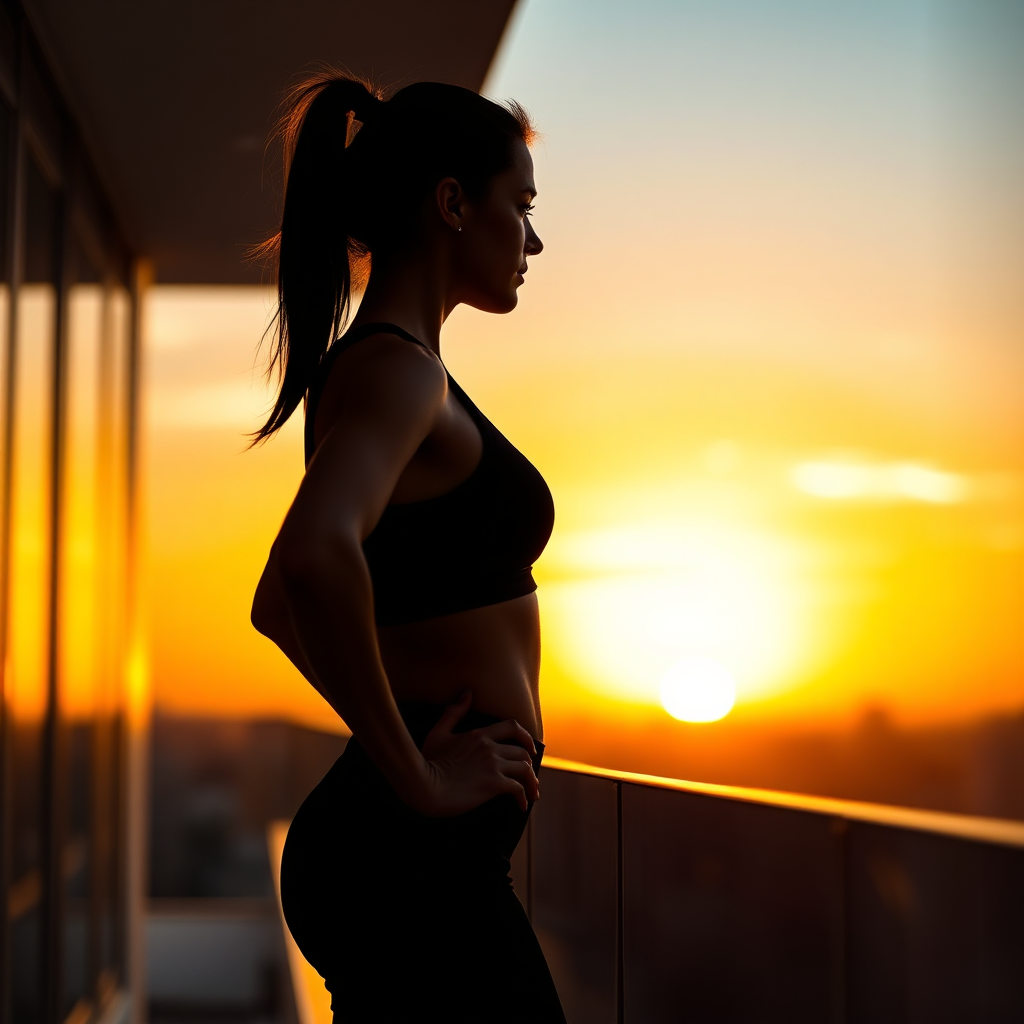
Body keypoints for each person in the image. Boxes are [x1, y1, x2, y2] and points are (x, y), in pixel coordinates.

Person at [249, 71, 565, 1023]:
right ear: (453, 203)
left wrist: (402, 732)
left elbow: (276, 601)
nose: (535, 240)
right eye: (522, 206)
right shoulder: (397, 372)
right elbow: (309, 560)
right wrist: (419, 775)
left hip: (412, 855)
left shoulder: (393, 369)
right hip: (413, 866)